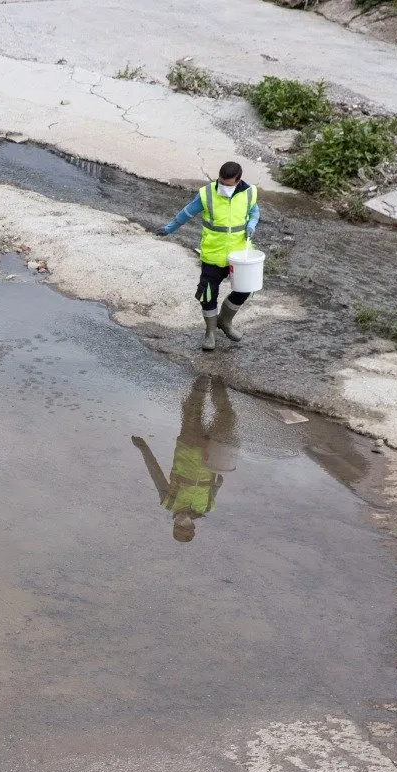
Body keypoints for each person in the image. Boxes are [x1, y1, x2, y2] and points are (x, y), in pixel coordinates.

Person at [159, 161, 260, 351]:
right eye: (221, 182)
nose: (224, 187)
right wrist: (170, 228)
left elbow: (254, 210)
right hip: (213, 254)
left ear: (238, 181)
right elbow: (187, 213)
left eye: (228, 184)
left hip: (238, 255)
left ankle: (224, 321)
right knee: (208, 294)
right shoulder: (207, 194)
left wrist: (252, 224)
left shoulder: (249, 192)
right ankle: (210, 332)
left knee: (244, 289)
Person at [132, 376, 239, 543]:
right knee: (227, 417)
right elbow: (216, 484)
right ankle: (219, 380)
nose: (181, 522)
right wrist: (219, 476)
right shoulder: (207, 507)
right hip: (211, 452)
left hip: (188, 445)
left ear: (173, 524)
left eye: (178, 525)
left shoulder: (168, 502)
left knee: (193, 410)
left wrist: (143, 448)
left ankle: (203, 376)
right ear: (192, 526)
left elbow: (155, 473)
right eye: (185, 526)